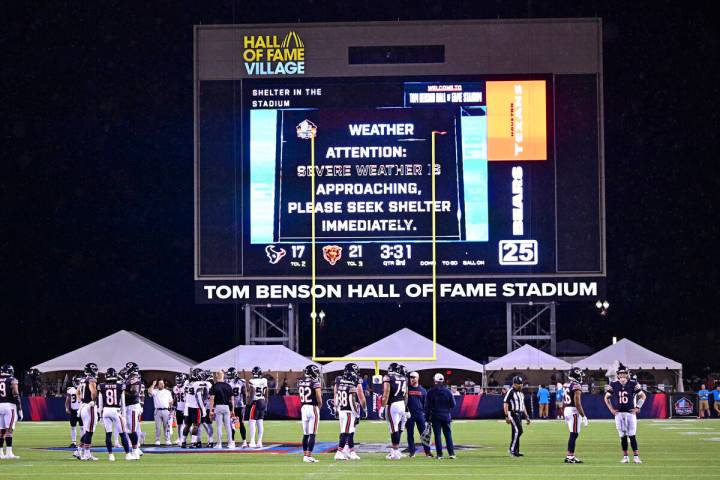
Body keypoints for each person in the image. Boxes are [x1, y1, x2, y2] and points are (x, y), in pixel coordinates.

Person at [604, 363, 645, 464]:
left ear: (627, 374)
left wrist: (638, 407)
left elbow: (643, 396)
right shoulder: (613, 384)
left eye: (624, 373)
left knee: (632, 435)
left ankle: (636, 457)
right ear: (617, 375)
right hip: (619, 414)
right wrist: (611, 409)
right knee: (622, 436)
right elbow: (606, 398)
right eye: (620, 374)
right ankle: (625, 457)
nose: (622, 375)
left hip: (630, 413)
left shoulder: (633, 383)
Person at [97, 368, 135, 461]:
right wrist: (124, 415)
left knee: (108, 434)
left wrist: (100, 415)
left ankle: (110, 455)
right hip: (116, 411)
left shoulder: (101, 386)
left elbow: (100, 402)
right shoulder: (120, 386)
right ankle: (127, 454)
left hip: (105, 410)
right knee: (122, 433)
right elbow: (123, 402)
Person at [381, 362, 408, 460]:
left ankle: (395, 452)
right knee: (398, 427)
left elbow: (386, 394)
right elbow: (406, 395)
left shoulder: (388, 377)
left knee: (393, 428)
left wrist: (382, 407)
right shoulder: (404, 378)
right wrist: (405, 408)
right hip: (401, 404)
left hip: (392, 405)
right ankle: (396, 450)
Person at [426, 373, 455, 460]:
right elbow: (453, 404)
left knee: (437, 435)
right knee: (448, 435)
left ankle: (440, 455)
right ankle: (451, 453)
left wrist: (427, 418)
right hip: (446, 415)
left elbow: (427, 406)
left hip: (435, 416)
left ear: (435, 380)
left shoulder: (430, 391)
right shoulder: (448, 391)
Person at [297, 364, 322, 463]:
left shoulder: (301, 382)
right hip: (312, 407)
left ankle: (305, 455)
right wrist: (319, 407)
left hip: (303, 407)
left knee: (306, 434)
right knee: (313, 433)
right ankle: (308, 456)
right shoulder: (315, 382)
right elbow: (319, 398)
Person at [563, 367, 588, 463]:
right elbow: (577, 403)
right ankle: (570, 457)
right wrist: (583, 415)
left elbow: (564, 399)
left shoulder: (566, 384)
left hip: (567, 409)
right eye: (580, 375)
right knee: (573, 434)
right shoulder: (576, 386)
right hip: (573, 410)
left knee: (573, 434)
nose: (581, 377)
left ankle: (570, 455)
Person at [333, 367, 359, 460]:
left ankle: (351, 452)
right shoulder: (351, 387)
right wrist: (357, 414)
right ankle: (339, 452)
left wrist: (336, 409)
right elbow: (352, 402)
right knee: (346, 433)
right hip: (348, 412)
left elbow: (337, 400)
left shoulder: (340, 386)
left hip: (342, 411)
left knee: (349, 432)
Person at [76, 362, 99, 461]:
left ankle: (78, 450)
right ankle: (87, 454)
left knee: (87, 431)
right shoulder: (91, 380)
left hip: (83, 406)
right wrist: (93, 401)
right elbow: (93, 392)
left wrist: (81, 400)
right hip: (89, 407)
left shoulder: (82, 380)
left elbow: (78, 392)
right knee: (90, 431)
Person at [406, 371, 432, 458]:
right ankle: (412, 452)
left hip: (420, 415)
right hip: (409, 415)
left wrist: (425, 414)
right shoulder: (406, 389)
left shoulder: (423, 390)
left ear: (418, 378)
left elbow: (426, 404)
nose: (412, 379)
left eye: (413, 377)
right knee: (410, 434)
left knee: (424, 434)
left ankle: (428, 452)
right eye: (410, 377)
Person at [504, 375, 530, 457]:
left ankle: (516, 451)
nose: (521, 385)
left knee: (515, 432)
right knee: (519, 431)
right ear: (514, 384)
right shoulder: (511, 391)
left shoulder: (521, 393)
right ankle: (511, 450)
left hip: (520, 414)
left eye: (521, 383)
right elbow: (505, 403)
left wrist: (526, 416)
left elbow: (523, 405)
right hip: (513, 413)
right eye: (519, 384)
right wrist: (506, 416)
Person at [0, 364, 23, 460]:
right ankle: (9, 452)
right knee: (9, 430)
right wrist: (20, 408)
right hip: (9, 406)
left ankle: (0, 453)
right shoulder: (12, 379)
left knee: (1, 431)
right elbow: (15, 393)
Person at [181, 368, 208, 448]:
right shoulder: (198, 384)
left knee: (187, 425)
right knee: (195, 425)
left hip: (187, 406)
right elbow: (199, 398)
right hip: (195, 407)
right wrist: (203, 409)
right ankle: (193, 443)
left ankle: (183, 442)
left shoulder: (187, 383)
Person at [209, 371, 234, 449]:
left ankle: (219, 444)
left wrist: (211, 410)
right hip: (226, 407)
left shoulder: (214, 386)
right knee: (228, 426)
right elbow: (232, 399)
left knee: (219, 426)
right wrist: (232, 409)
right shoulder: (228, 386)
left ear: (216, 376)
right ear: (223, 375)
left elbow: (212, 399)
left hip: (218, 407)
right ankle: (230, 443)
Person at [123, 363, 144, 457]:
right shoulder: (129, 379)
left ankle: (135, 450)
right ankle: (137, 449)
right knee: (129, 429)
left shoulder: (135, 380)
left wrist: (122, 392)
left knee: (131, 430)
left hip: (132, 407)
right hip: (128, 406)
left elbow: (134, 393)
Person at [246, 366, 268, 448]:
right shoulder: (264, 380)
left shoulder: (252, 381)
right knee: (260, 422)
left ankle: (252, 441)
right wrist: (266, 404)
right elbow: (266, 394)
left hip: (255, 402)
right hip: (262, 401)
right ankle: (259, 442)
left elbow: (252, 393)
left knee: (252, 422)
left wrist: (248, 405)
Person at [226, 367, 248, 448]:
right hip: (239, 405)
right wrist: (245, 404)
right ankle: (244, 442)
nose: (228, 376)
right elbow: (245, 393)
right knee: (239, 423)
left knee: (233, 424)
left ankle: (233, 442)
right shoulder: (241, 382)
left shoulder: (227, 382)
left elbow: (244, 393)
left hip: (233, 405)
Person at [148, 379, 174, 446]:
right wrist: (153, 384)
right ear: (157, 385)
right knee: (158, 427)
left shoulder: (168, 392)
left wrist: (171, 410)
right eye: (160, 384)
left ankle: (167, 440)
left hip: (166, 410)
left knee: (166, 427)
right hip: (157, 411)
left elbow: (171, 402)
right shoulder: (155, 391)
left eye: (162, 383)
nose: (162, 385)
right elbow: (149, 391)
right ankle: (157, 440)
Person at [65, 375, 83, 448]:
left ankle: (83, 442)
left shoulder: (84, 389)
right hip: (73, 410)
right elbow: (68, 400)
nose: (78, 382)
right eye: (76, 381)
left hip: (82, 410)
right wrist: (66, 408)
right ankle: (74, 442)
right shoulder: (71, 390)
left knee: (82, 427)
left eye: (79, 381)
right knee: (73, 427)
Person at [172, 374, 187, 445]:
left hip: (185, 408)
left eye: (179, 380)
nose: (178, 382)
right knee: (179, 425)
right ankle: (180, 438)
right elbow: (175, 398)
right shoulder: (175, 388)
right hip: (179, 408)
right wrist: (173, 405)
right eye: (177, 380)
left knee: (187, 425)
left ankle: (193, 439)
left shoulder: (186, 387)